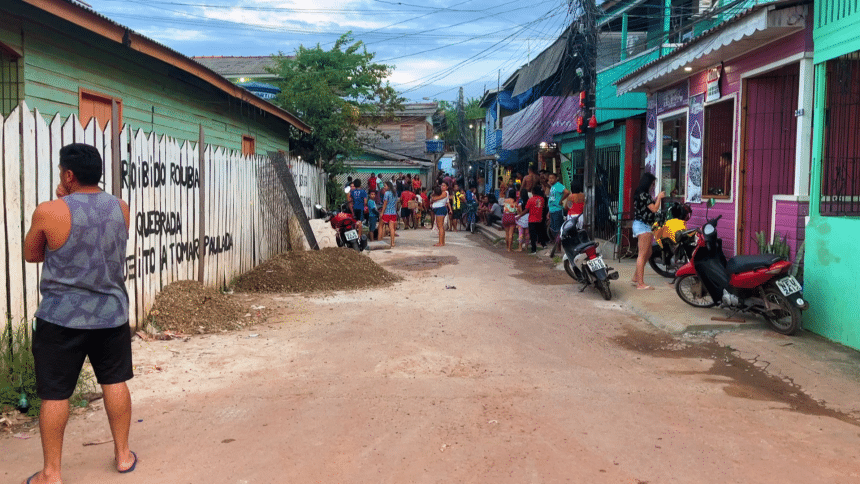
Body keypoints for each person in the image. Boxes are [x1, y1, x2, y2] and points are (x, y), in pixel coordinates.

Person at [22, 143, 137, 484]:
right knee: (115, 382)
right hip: (111, 315)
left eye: (62, 173)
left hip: (61, 319)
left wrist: (60, 200)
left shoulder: (49, 211)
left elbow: (33, 254)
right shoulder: (122, 208)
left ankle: (52, 473)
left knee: (55, 394)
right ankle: (123, 455)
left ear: (69, 175)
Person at [632, 172, 665, 290]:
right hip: (643, 226)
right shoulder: (644, 195)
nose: (653, 186)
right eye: (652, 183)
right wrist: (659, 198)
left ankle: (636, 277)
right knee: (642, 255)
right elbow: (655, 209)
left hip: (642, 225)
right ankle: (640, 284)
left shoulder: (640, 194)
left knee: (648, 252)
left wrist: (656, 199)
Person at [519, 184, 545, 254]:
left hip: (532, 219)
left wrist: (519, 216)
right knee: (540, 232)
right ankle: (543, 244)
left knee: (533, 235)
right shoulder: (541, 199)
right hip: (539, 219)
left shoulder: (530, 200)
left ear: (533, 192)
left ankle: (534, 250)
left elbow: (526, 210)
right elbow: (541, 208)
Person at [546, 172, 570, 240]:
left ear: (556, 179)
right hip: (552, 210)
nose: (551, 179)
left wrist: (561, 200)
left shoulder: (558, 185)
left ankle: (559, 245)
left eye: (552, 178)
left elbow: (567, 192)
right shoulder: (552, 187)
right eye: (550, 178)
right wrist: (549, 212)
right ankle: (557, 244)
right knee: (553, 228)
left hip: (557, 210)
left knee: (557, 228)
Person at [379, 181, 398, 248]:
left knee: (380, 226)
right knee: (392, 228)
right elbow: (396, 203)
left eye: (385, 186)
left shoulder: (386, 193)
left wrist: (382, 212)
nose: (384, 187)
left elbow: (385, 204)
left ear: (388, 186)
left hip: (387, 212)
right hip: (393, 213)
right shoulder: (395, 193)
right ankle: (392, 243)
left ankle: (380, 241)